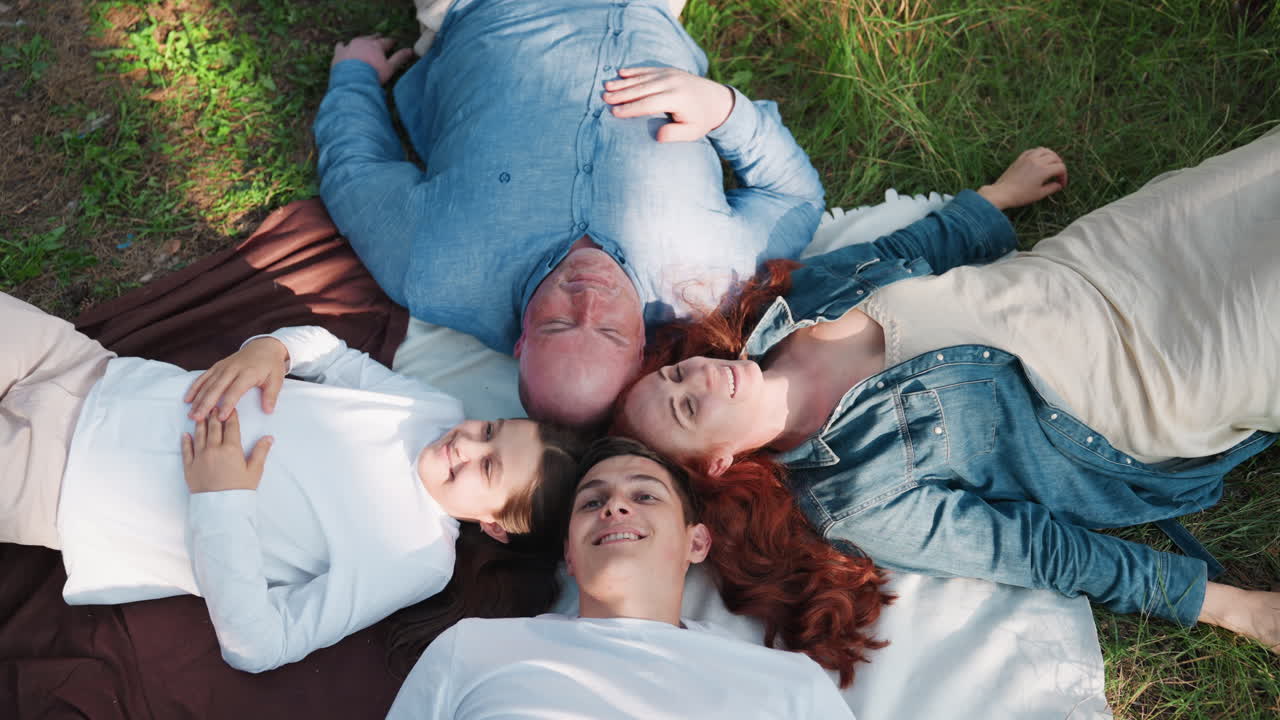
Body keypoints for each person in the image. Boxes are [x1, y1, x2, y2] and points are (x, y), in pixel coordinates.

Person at [616, 135, 1280, 654]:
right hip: (1145, 388)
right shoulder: (856, 498)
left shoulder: (791, 308)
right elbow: (1032, 548)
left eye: (676, 376)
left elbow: (907, 248)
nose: (698, 379)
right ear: (718, 463)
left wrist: (992, 201)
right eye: (686, 408)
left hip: (1092, 269)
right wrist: (1221, 603)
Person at [1, 293, 589, 672]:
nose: (467, 443)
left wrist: (220, 498)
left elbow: (261, 645)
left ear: (494, 526)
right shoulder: (431, 408)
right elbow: (331, 353)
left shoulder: (414, 558)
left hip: (61, 486)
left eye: (488, 467)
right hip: (87, 372)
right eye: (490, 428)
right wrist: (272, 349)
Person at [313, 0, 826, 428]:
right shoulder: (711, 280)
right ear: (643, 349)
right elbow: (797, 199)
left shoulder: (432, 268)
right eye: (610, 332)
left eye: (559, 325)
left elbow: (353, 173)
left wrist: (354, 77)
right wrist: (724, 111)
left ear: (520, 343)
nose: (588, 302)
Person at [386, 436, 876, 719]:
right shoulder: (471, 648)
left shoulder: (789, 686)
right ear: (570, 556)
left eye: (645, 497)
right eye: (592, 502)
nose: (615, 506)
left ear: (697, 542)